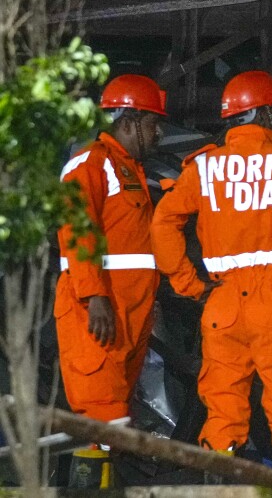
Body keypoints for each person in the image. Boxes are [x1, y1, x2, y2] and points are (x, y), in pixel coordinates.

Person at [150, 70, 272, 476]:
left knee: (221, 414)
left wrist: (189, 285)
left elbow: (163, 224)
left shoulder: (202, 167)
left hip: (222, 303)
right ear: (263, 114)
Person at [55, 75, 167, 489]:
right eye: (153, 123)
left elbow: (134, 249)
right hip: (99, 311)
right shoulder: (92, 162)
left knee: (113, 419)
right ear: (130, 120)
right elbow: (75, 227)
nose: (159, 133)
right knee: (101, 416)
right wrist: (93, 294)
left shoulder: (129, 170)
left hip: (126, 316)